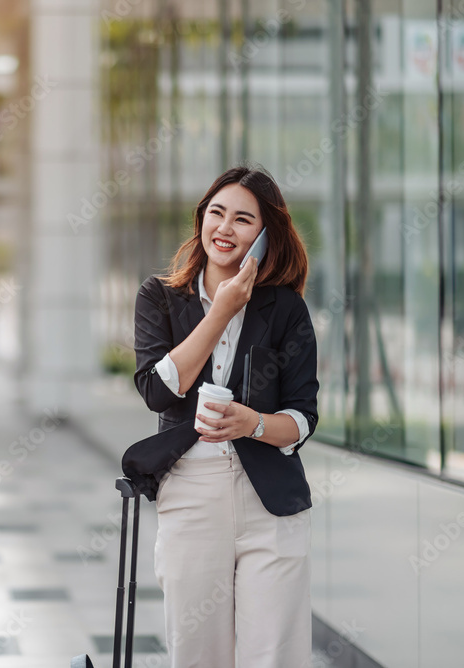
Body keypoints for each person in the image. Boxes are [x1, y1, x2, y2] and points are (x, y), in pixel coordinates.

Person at [132, 165, 319, 668]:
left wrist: (252, 423)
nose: (225, 228)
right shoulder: (161, 297)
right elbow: (157, 390)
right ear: (201, 221)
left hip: (271, 504)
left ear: (264, 236)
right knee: (198, 656)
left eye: (243, 219)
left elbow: (302, 420)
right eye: (217, 213)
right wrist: (221, 310)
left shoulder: (285, 310)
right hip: (191, 495)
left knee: (274, 657)